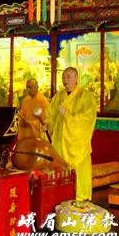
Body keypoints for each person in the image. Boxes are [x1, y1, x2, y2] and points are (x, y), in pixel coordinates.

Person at [46, 67, 97, 201]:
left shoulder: (86, 97)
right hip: (58, 141)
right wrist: (47, 124)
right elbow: (50, 115)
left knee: (78, 173)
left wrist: (68, 116)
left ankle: (80, 198)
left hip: (77, 143)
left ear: (76, 79)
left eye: (68, 77)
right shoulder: (58, 96)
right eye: (63, 77)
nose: (65, 80)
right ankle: (59, 196)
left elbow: (88, 118)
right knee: (59, 170)